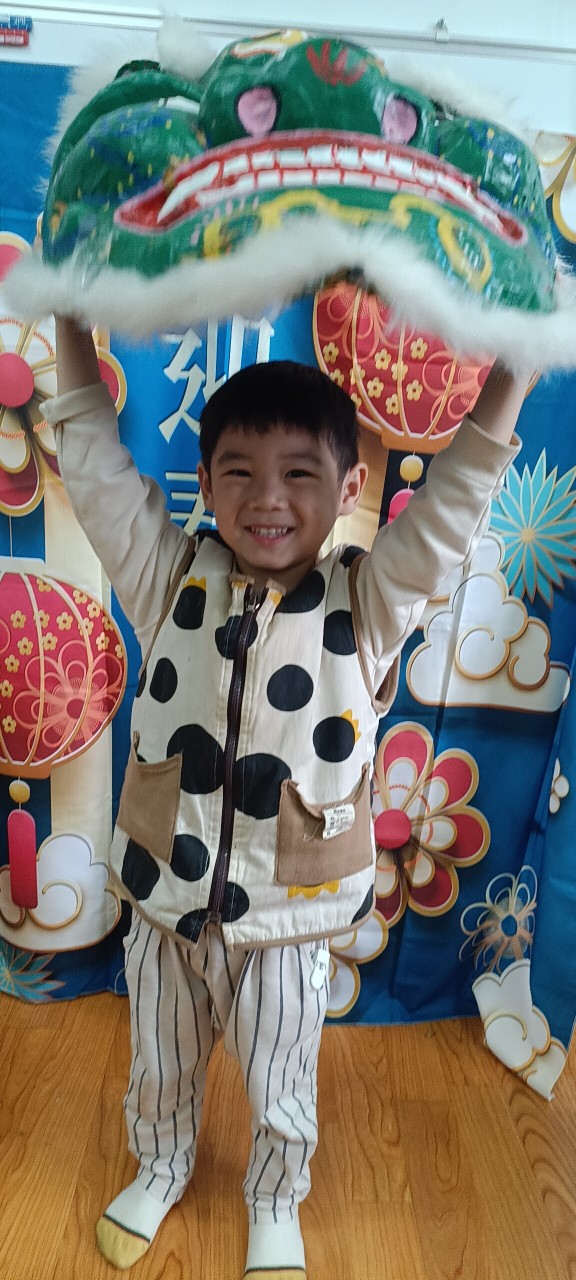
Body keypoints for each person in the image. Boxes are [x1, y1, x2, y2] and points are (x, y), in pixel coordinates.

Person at [43, 318, 524, 1278]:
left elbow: (449, 514)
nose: (267, 498)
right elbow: (96, 474)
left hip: (289, 913)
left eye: (300, 473)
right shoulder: (169, 575)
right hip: (167, 900)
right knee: (160, 1060)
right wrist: (65, 325)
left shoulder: (370, 603)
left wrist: (512, 378)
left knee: (281, 1076)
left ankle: (273, 1198)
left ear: (349, 489)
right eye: (239, 472)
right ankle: (161, 1164)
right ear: (205, 482)